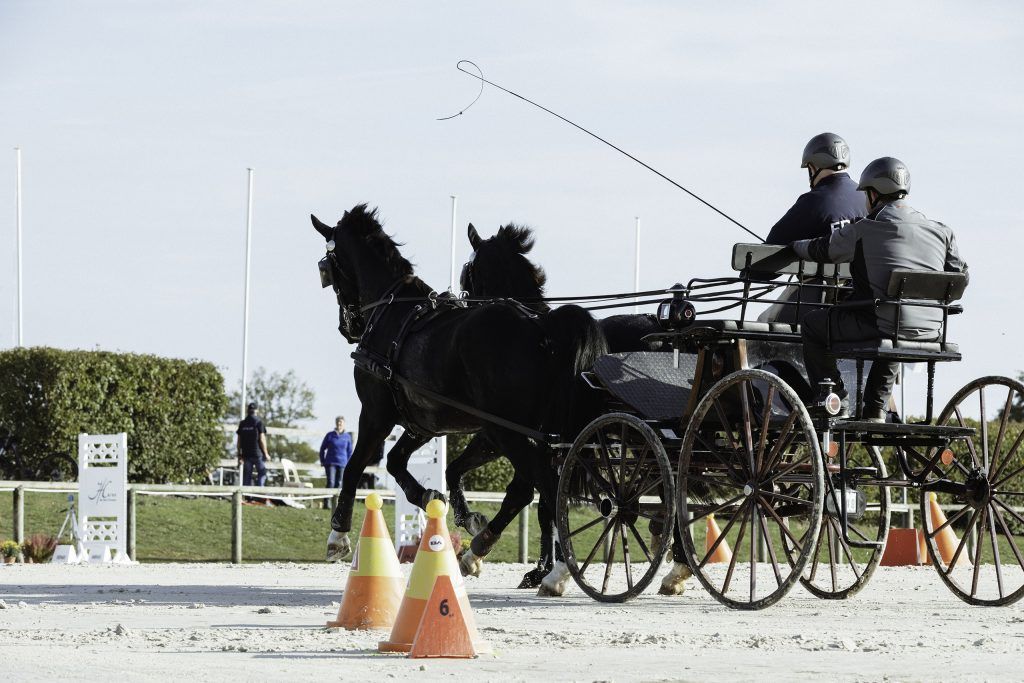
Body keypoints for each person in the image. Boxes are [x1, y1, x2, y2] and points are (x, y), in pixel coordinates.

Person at [791, 157, 968, 420]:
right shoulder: (941, 231)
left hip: (877, 323)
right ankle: (875, 408)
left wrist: (794, 246)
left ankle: (835, 396)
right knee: (896, 324)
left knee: (813, 325)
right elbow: (959, 278)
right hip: (932, 332)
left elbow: (823, 249)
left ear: (873, 194)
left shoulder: (866, 228)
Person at [758, 133, 867, 322]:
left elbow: (765, 263)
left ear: (813, 167)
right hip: (860, 303)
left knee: (762, 321)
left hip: (816, 303)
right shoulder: (867, 199)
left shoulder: (813, 202)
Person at [236, 402, 270, 486]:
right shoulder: (258, 422)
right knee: (262, 473)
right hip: (257, 454)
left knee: (247, 475)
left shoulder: (242, 424)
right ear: (256, 410)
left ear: (248, 410)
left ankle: (248, 496)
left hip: (246, 454)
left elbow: (239, 441)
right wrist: (266, 453)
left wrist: (239, 454)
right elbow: (262, 439)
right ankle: (259, 494)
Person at [319, 416, 353, 489]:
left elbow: (350, 452)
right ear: (335, 423)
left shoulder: (347, 437)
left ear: (344, 423)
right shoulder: (330, 435)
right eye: (337, 421)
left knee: (339, 483)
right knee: (331, 482)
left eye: (341, 421)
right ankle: (327, 500)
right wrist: (322, 460)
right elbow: (322, 448)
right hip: (330, 463)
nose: (339, 423)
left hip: (342, 464)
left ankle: (337, 500)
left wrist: (349, 464)